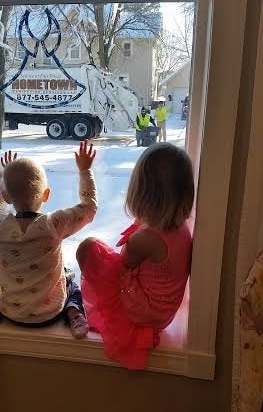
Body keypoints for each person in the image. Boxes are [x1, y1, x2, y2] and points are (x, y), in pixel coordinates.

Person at [77, 143, 194, 370]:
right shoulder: (181, 228)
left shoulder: (145, 238)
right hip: (163, 314)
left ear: (141, 191)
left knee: (88, 248)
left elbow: (121, 268)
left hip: (144, 314)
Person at [0, 141, 97, 339]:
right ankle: (74, 313)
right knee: (71, 281)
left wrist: (5, 180)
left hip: (10, 312)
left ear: (7, 196)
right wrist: (85, 170)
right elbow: (89, 209)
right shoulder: (54, 224)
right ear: (46, 195)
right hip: (49, 313)